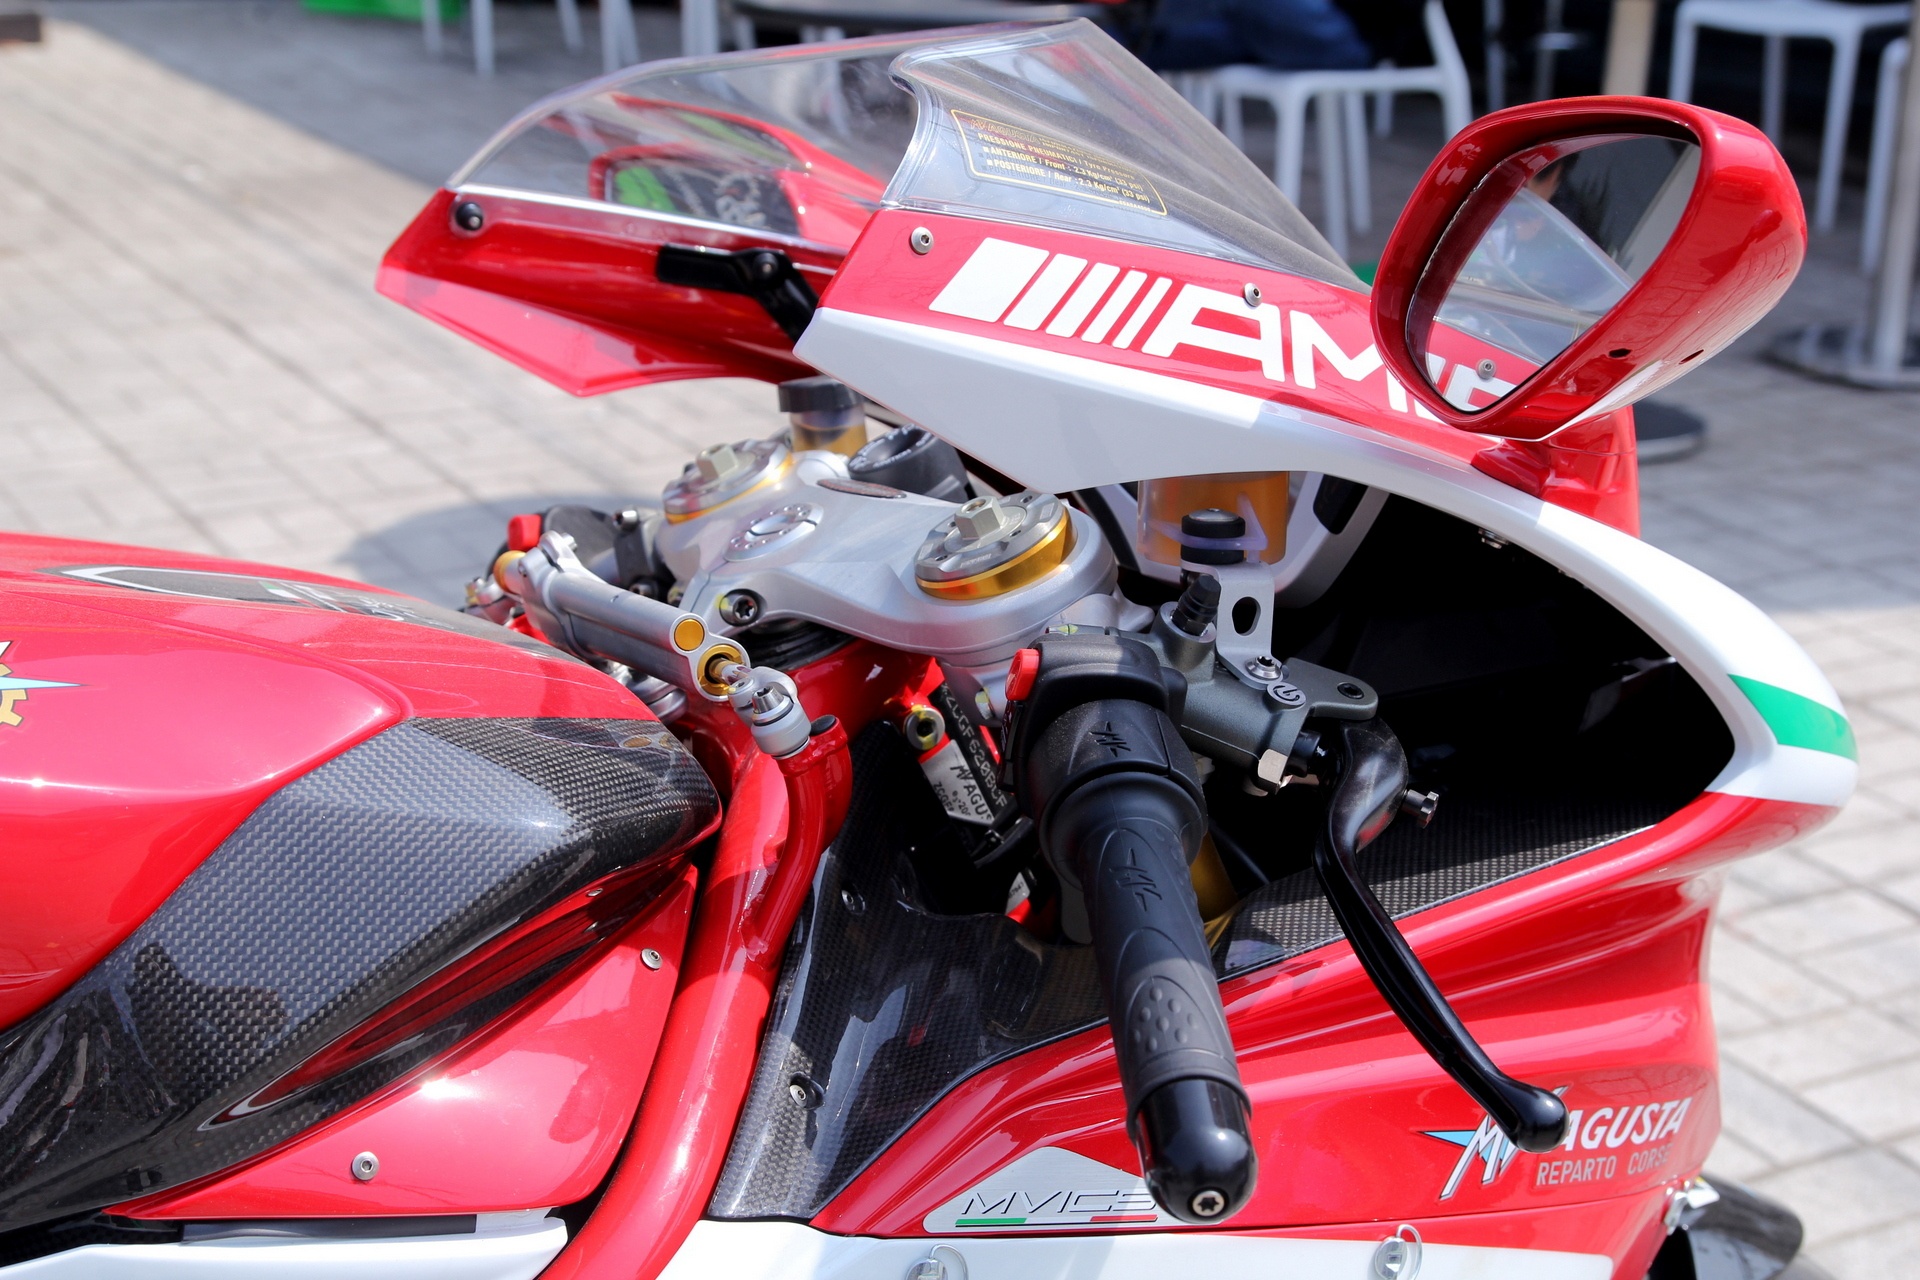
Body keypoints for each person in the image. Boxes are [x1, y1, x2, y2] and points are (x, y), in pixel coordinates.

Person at [1139, 0, 1374, 73]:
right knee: (1147, 45)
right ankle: (1133, 19)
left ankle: (1141, 11)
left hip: (1355, 33)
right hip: (1257, 31)